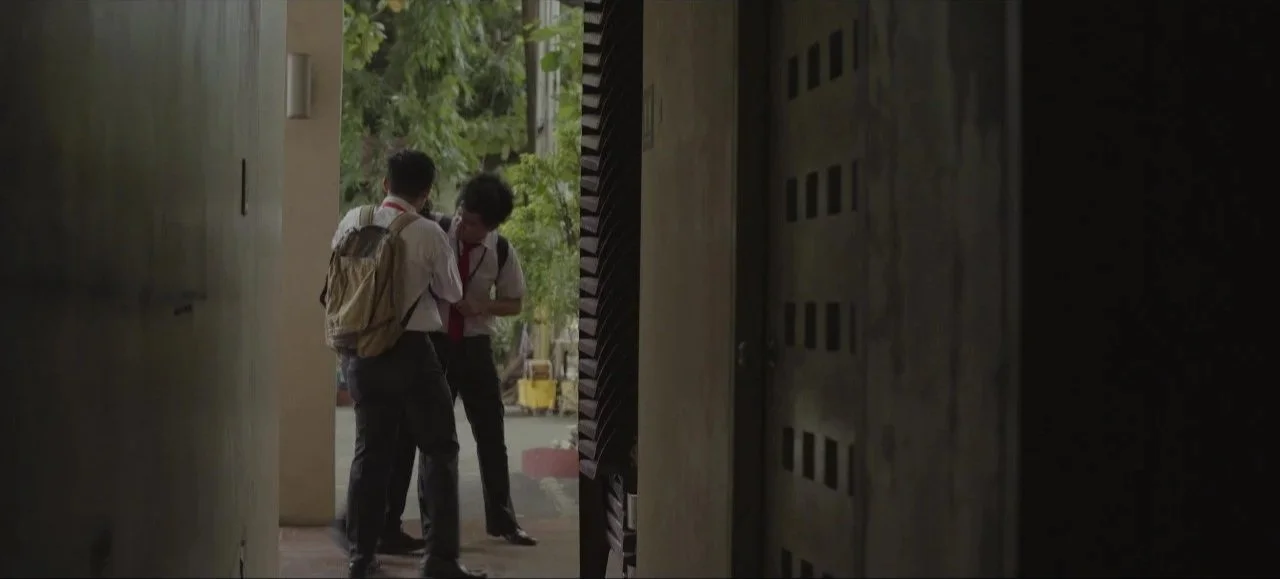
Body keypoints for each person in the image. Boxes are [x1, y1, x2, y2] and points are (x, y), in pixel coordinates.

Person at [326, 150, 485, 579]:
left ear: (384, 185)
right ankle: (440, 559)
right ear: (426, 192)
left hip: (358, 353)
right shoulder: (428, 231)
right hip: (411, 351)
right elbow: (451, 292)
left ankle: (361, 559)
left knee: (370, 451)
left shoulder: (351, 221)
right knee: (439, 446)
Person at [384, 172, 537, 548]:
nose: (463, 226)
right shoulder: (435, 229)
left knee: (491, 434)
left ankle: (504, 521)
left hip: (474, 347)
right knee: (422, 434)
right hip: (433, 344)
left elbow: (515, 302)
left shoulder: (501, 251)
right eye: (462, 216)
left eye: (472, 224)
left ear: (491, 226)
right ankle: (412, 526)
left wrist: (483, 305)